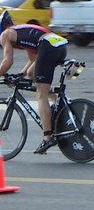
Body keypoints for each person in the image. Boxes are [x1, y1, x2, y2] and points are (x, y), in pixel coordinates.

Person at [0, 10, 68, 154]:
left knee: (40, 93)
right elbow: (32, 60)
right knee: (32, 74)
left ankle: (47, 137)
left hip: (48, 47)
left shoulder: (5, 35)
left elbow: (7, 62)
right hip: (58, 45)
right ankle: (59, 104)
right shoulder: (21, 31)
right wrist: (21, 74)